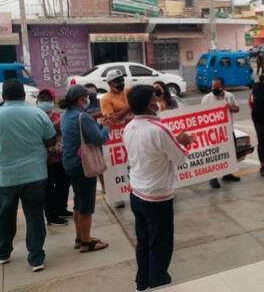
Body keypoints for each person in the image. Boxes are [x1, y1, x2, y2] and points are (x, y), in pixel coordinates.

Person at [123, 85, 193, 291]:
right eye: (154, 99)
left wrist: (176, 141)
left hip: (137, 193)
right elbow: (179, 158)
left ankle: (143, 282)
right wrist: (184, 142)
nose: (157, 102)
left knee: (143, 242)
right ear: (149, 104)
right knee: (160, 246)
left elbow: (155, 152)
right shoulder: (159, 129)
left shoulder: (129, 127)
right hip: (157, 197)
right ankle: (159, 283)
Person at [0, 80, 57, 272]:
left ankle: (3, 253)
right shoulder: (38, 113)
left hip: (5, 177)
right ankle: (36, 258)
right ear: (24, 96)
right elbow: (51, 141)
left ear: (3, 96)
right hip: (35, 174)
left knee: (5, 215)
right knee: (34, 215)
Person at [60, 85, 110, 253]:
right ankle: (87, 242)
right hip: (83, 165)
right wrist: (106, 126)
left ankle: (80, 237)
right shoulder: (83, 117)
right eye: (87, 98)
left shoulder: (66, 116)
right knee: (86, 204)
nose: (89, 101)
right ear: (82, 99)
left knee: (78, 202)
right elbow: (99, 139)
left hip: (70, 163)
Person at [37, 89, 71, 226]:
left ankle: (62, 209)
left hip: (61, 157)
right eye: (43, 100)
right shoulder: (36, 117)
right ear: (38, 102)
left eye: (48, 100)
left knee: (64, 184)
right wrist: (54, 126)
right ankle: (51, 216)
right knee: (49, 188)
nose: (46, 103)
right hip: (45, 160)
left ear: (53, 101)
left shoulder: (58, 115)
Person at [201, 78, 241, 188]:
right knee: (213, 155)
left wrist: (230, 107)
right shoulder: (206, 98)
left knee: (229, 153)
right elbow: (202, 115)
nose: (214, 88)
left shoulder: (229, 96)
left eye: (217, 86)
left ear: (223, 87)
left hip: (228, 131)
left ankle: (227, 174)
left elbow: (237, 109)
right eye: (213, 86)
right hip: (213, 133)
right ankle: (212, 178)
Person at [100, 69, 130, 208]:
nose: (121, 83)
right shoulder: (106, 99)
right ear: (110, 83)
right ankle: (118, 196)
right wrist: (129, 108)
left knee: (132, 164)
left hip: (130, 132)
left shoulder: (128, 92)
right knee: (117, 167)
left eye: (122, 79)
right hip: (116, 137)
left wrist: (123, 112)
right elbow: (112, 118)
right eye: (117, 81)